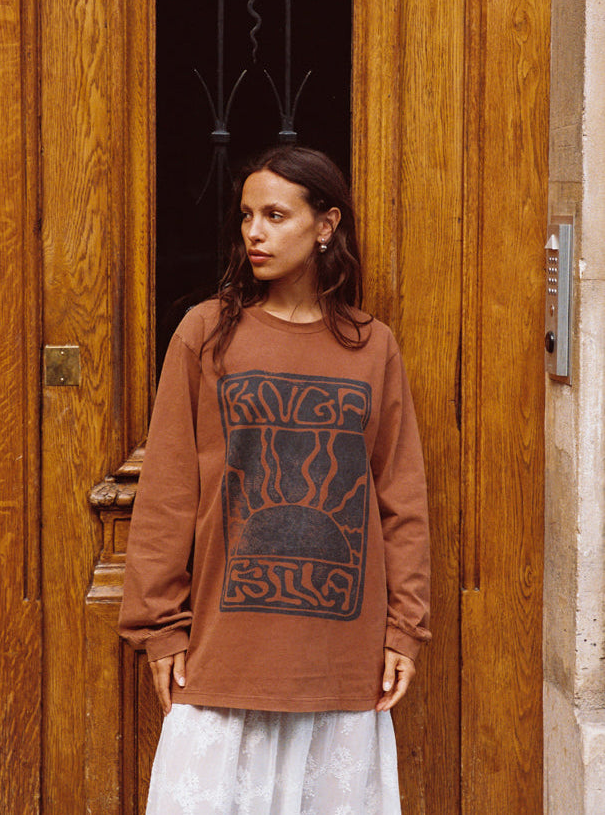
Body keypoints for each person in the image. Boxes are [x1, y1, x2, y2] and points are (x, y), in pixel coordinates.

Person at [119, 146, 430, 814]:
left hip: (341, 657)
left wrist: (405, 628)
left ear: (326, 226)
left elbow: (399, 500)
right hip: (225, 650)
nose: (254, 232)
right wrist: (160, 628)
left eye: (275, 215)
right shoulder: (207, 333)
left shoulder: (372, 346)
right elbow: (169, 493)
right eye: (246, 217)